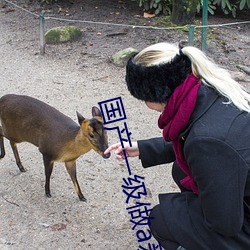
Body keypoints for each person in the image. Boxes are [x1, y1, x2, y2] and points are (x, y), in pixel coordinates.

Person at [104, 42, 250, 250]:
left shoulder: (207, 142)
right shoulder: (210, 88)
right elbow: (197, 139)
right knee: (181, 170)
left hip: (241, 224)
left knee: (161, 218)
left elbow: (225, 224)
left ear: (156, 93)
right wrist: (143, 148)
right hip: (241, 187)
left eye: (143, 98)